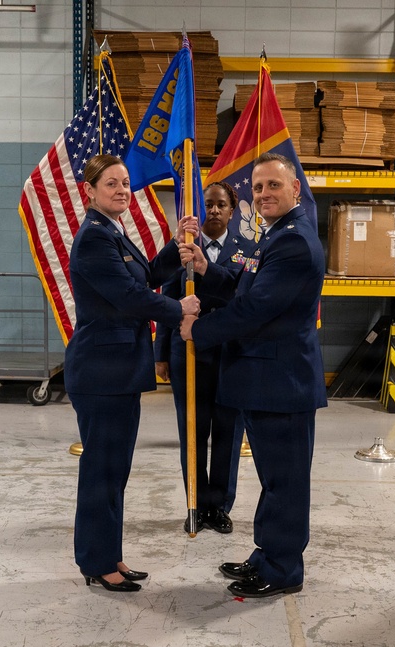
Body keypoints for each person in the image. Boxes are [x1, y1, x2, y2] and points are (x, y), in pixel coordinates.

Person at [179, 152, 327, 598]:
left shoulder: (294, 241)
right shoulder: (277, 234)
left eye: (274, 185)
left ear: (295, 189)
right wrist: (208, 271)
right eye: (258, 187)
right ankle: (268, 554)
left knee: (285, 481)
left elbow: (256, 309)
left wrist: (199, 329)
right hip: (267, 381)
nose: (264, 194)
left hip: (281, 383)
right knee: (273, 479)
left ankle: (283, 568)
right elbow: (250, 288)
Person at [67, 154, 200, 593]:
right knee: (103, 470)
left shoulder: (113, 232)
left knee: (114, 470)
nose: (122, 189)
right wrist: (177, 308)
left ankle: (110, 555)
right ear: (90, 190)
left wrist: (175, 248)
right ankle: (96, 562)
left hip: (118, 372)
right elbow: (128, 296)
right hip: (102, 371)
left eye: (125, 182)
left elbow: (143, 278)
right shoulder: (93, 238)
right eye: (112, 184)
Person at [154, 182, 255, 535]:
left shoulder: (246, 251)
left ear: (232, 210)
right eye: (209, 204)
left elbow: (245, 299)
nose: (214, 210)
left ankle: (220, 506)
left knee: (228, 431)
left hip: (230, 356)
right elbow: (168, 300)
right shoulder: (184, 249)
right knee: (192, 432)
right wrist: (161, 355)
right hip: (189, 355)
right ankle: (195, 503)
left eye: (221, 205)